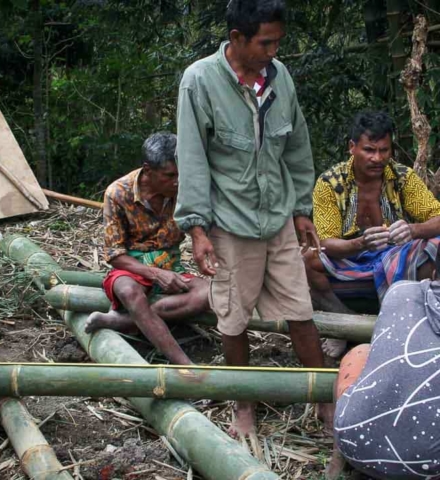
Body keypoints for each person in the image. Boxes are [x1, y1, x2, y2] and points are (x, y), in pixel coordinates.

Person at [175, 0, 331, 444]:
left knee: (301, 311)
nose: (273, 50)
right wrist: (198, 230)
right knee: (233, 318)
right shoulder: (200, 81)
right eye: (266, 42)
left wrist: (302, 209)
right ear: (237, 38)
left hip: (278, 216)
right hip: (229, 222)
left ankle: (324, 398)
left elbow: (298, 146)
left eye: (278, 41)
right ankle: (245, 403)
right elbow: (193, 158)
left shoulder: (280, 78)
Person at [307, 111, 440, 358]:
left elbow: (437, 217)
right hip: (349, 264)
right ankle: (344, 323)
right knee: (308, 258)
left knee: (435, 245)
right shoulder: (329, 183)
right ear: (352, 147)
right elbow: (325, 241)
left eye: (384, 150)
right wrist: (359, 243)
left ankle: (414, 321)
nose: (377, 158)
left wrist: (413, 230)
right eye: (369, 150)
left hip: (396, 263)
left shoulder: (403, 177)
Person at [85, 132, 209, 366]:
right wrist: (156, 274)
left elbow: (199, 225)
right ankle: (185, 365)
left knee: (208, 293)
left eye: (181, 174)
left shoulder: (185, 191)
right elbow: (115, 255)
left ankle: (124, 321)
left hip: (171, 264)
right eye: (170, 175)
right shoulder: (118, 193)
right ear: (148, 170)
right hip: (132, 268)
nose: (178, 181)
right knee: (129, 292)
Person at [327, 267, 440, 479]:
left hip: (356, 446)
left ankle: (338, 456)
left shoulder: (401, 291)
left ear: (433, 273)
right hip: (429, 467)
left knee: (361, 352)